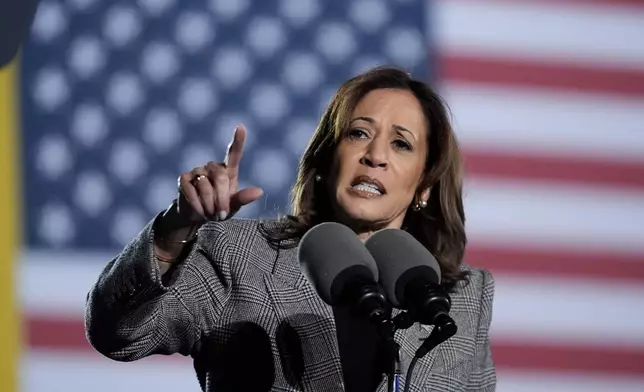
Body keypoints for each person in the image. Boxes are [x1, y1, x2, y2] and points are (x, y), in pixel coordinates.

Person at [84, 66, 496, 392]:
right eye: (358, 133)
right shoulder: (237, 257)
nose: (374, 156)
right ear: (327, 158)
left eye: (401, 143)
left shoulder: (460, 298)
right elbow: (119, 334)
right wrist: (178, 226)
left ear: (423, 184)